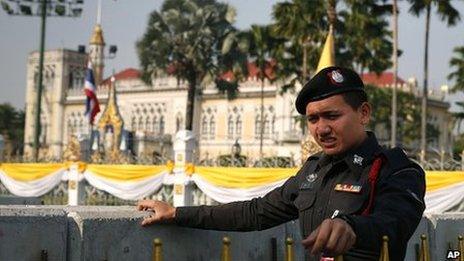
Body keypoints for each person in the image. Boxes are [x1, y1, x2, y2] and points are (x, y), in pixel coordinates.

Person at [137, 66, 426, 260]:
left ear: (363, 113)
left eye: (332, 116)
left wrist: (351, 228)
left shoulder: (396, 170)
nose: (321, 128)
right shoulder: (313, 171)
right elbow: (255, 212)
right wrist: (177, 213)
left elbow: (395, 223)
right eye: (313, 119)